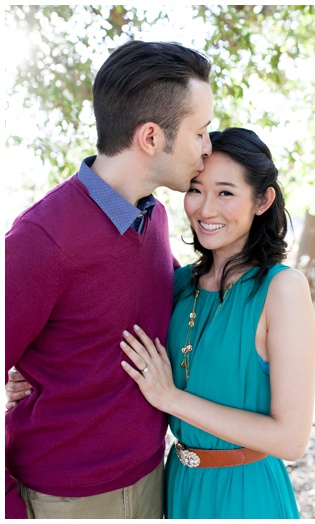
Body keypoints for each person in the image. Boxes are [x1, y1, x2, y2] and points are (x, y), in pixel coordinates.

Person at [5, 40, 214, 518]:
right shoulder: (42, 239)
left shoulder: (155, 217)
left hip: (151, 480)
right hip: (65, 500)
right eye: (200, 132)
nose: (208, 147)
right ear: (150, 138)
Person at [118, 127, 315, 518]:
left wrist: (171, 398)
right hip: (178, 487)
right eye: (196, 188)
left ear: (262, 201)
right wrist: (37, 377)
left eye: (226, 192)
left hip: (246, 493)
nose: (205, 209)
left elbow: (292, 440)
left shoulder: (283, 290)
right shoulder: (177, 284)